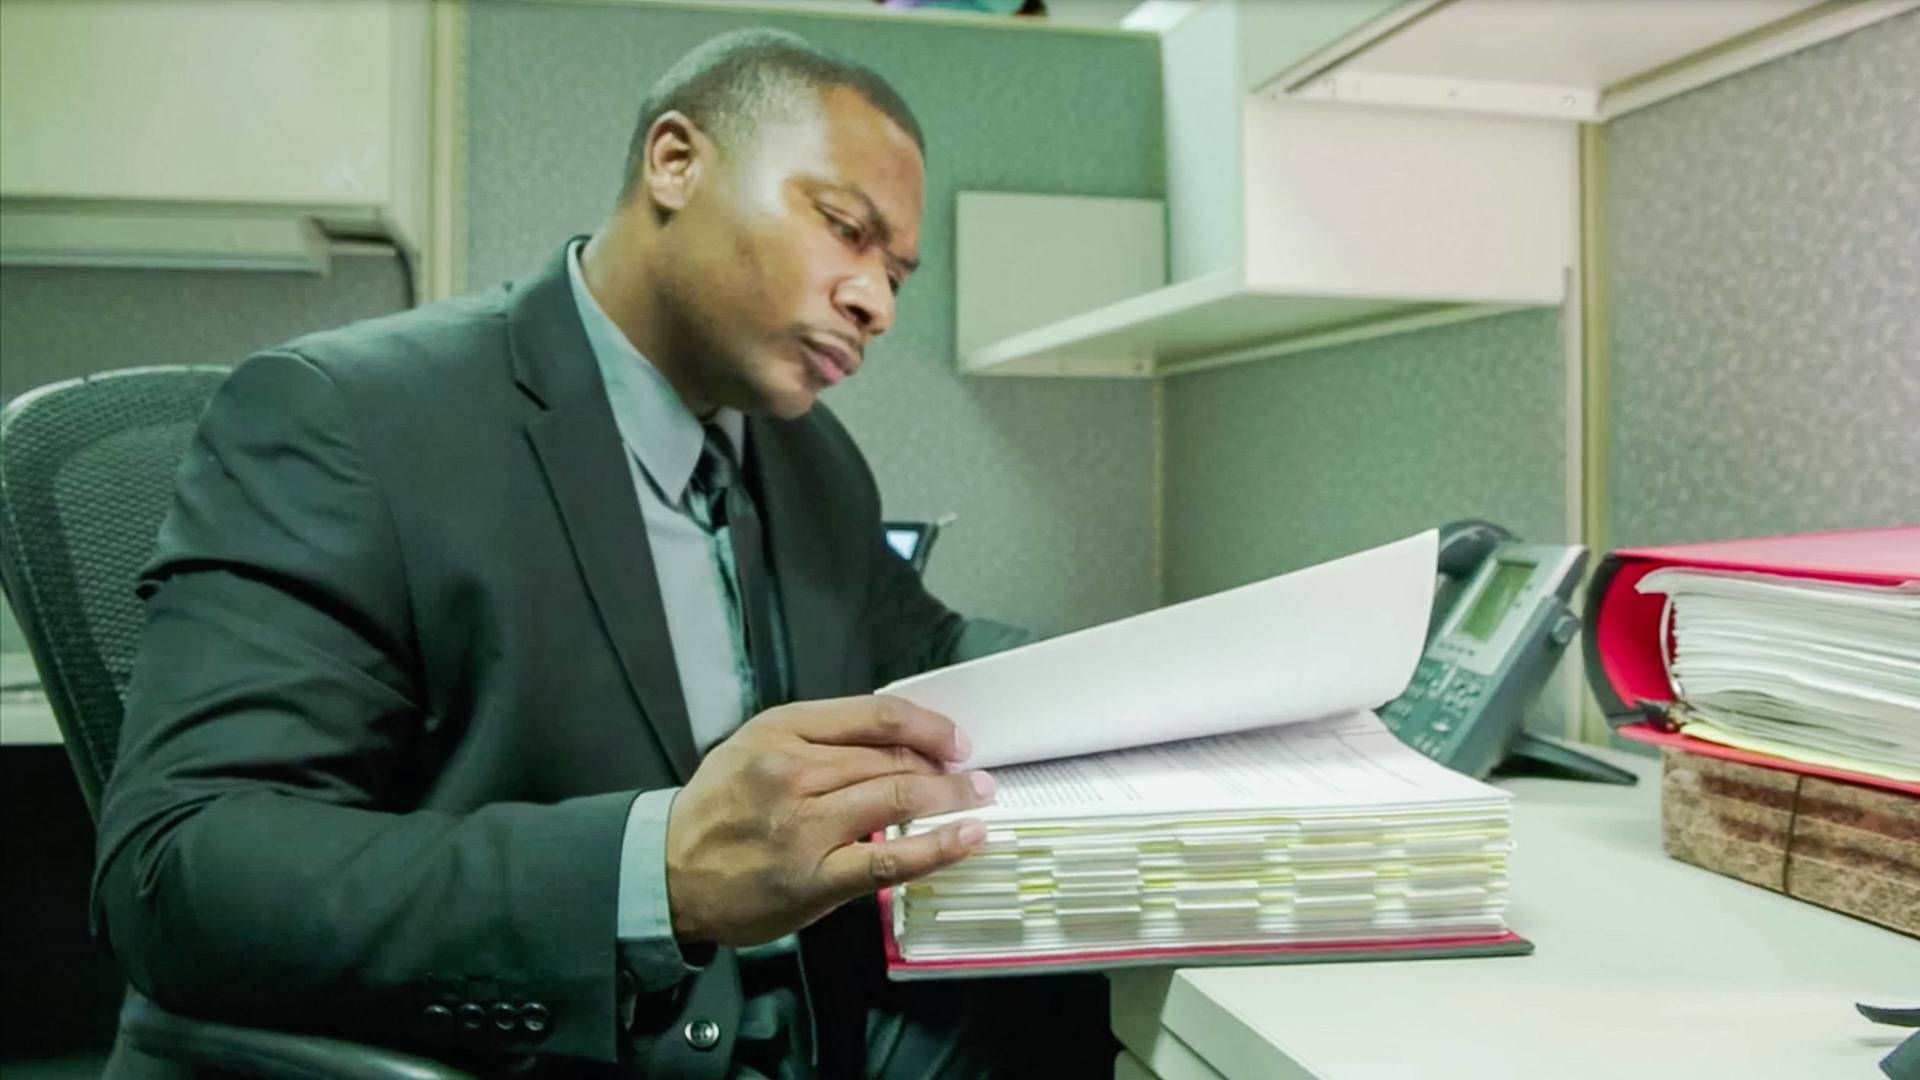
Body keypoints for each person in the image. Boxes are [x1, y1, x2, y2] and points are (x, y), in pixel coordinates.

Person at [93, 28, 1113, 1079]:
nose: (877, 303)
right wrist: (654, 872)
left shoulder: (808, 460)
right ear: (676, 162)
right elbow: (182, 870)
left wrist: (1177, 686)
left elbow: (928, 642)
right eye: (844, 229)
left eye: (895, 272)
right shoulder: (348, 417)